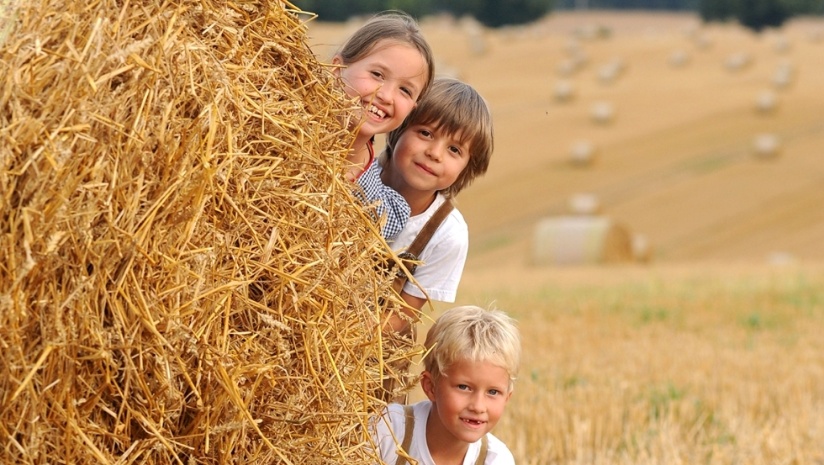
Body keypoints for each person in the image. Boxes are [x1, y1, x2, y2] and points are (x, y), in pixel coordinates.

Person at [378, 78, 493, 332]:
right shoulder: (353, 175)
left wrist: (338, 331)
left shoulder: (447, 234)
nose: (435, 153)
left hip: (369, 351)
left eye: (454, 149)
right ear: (398, 128)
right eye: (426, 133)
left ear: (466, 170)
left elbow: (402, 317)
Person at [371, 305, 521, 465]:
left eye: (493, 392)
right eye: (464, 387)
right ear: (430, 386)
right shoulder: (387, 431)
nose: (478, 407)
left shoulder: (495, 459)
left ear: (507, 397)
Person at [331, 11, 435, 239]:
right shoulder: (277, 128)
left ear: (411, 109)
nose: (386, 96)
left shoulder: (384, 211)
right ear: (337, 69)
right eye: (377, 74)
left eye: (405, 90)